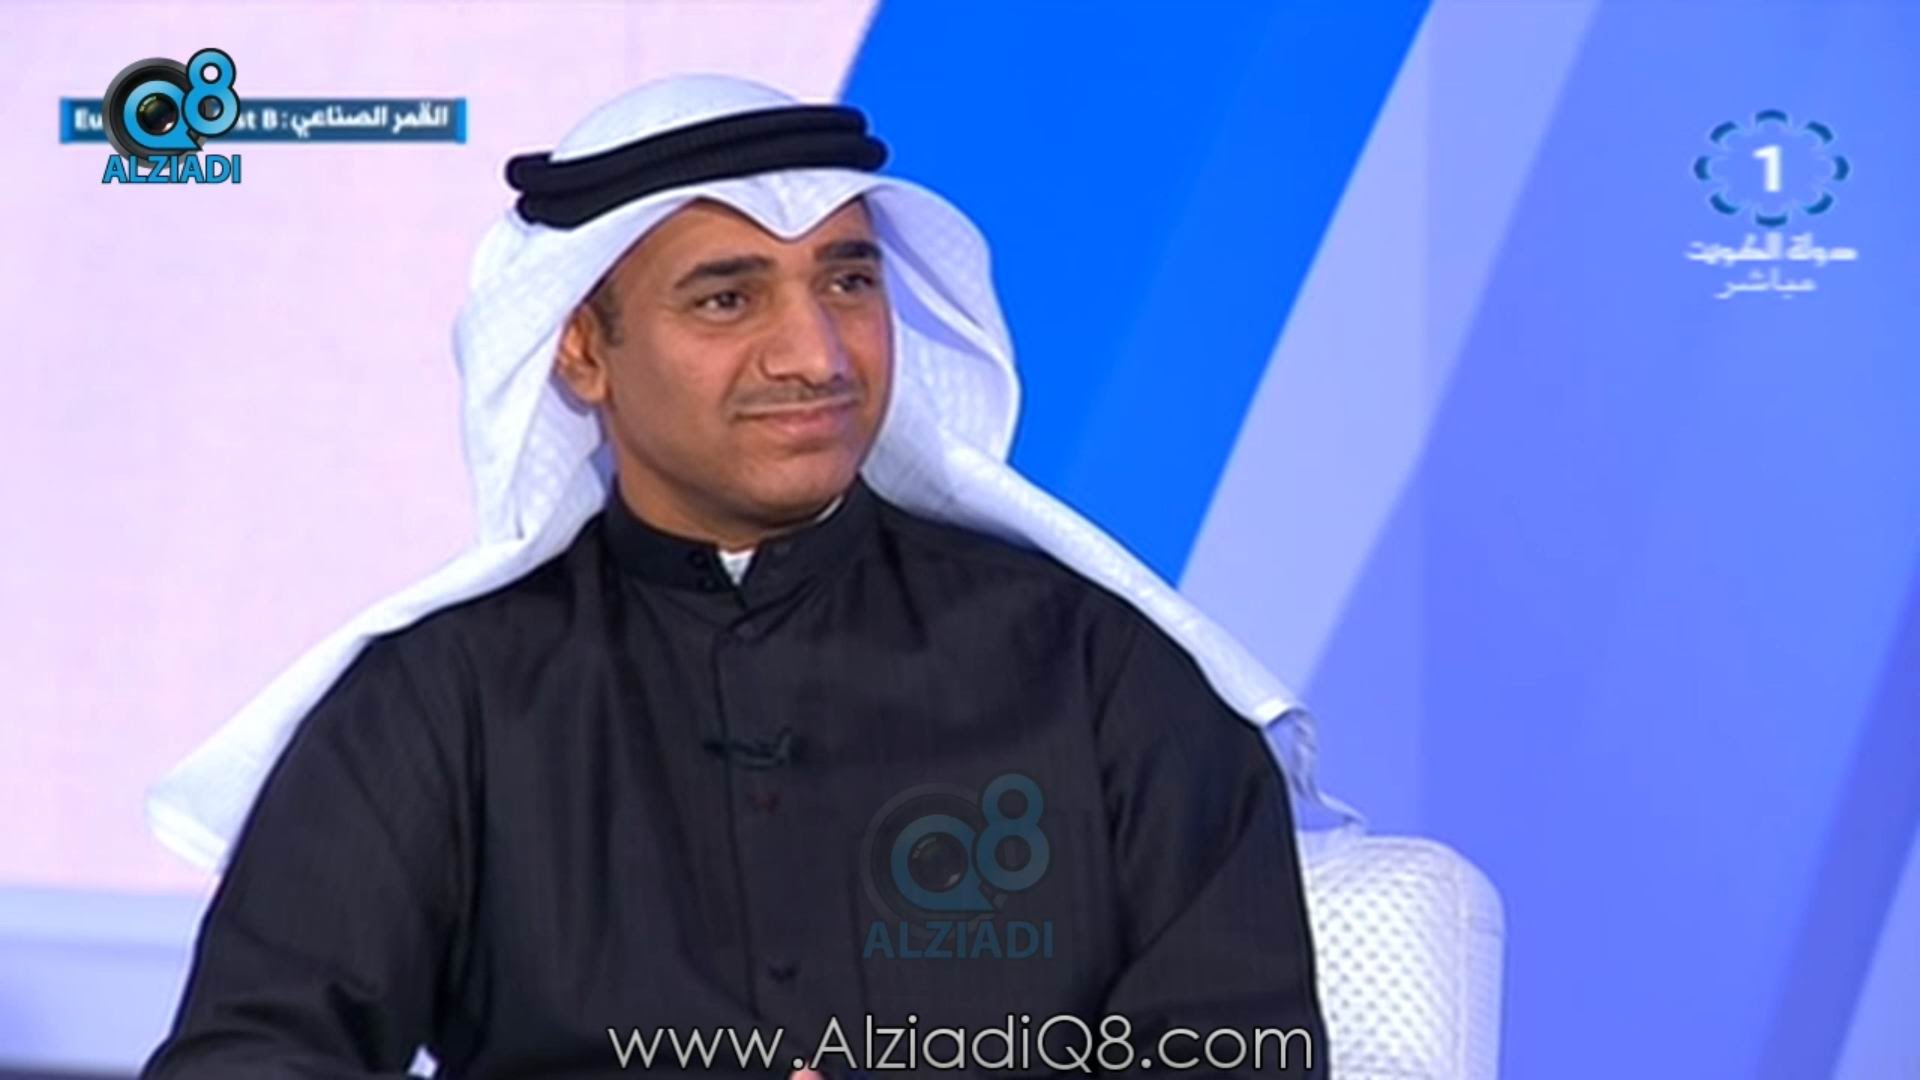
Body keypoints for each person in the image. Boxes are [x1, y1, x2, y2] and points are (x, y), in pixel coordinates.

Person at [141, 74, 1336, 1078]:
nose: (815, 354)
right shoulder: (441, 703)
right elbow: (252, 1055)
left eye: (849, 282)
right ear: (582, 351)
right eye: (727, 298)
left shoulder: (1100, 674)